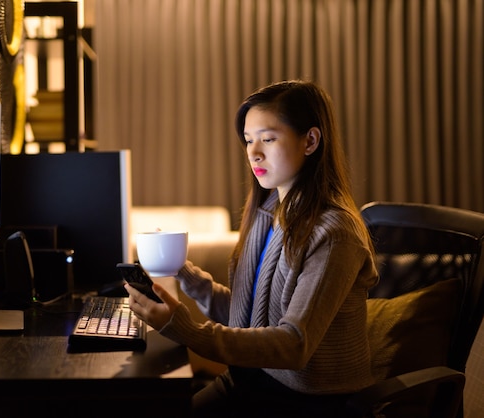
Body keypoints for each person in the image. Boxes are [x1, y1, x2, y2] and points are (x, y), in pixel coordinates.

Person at [124, 80, 379, 417]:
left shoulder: (334, 234)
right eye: (248, 140)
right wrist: (183, 272)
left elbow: (294, 345)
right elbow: (252, 320)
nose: (253, 152)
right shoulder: (268, 213)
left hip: (306, 401)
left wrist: (185, 328)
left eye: (268, 139)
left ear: (311, 140)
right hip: (249, 380)